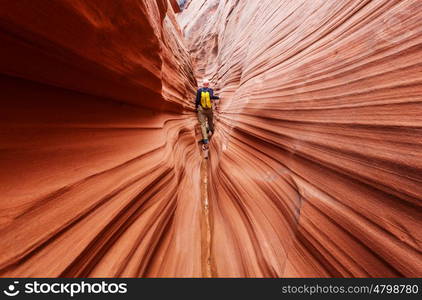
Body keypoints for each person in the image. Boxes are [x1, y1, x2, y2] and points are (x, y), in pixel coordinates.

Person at [195, 78, 220, 150]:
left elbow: (197, 100)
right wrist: (218, 97)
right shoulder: (210, 90)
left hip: (201, 109)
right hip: (209, 109)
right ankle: (212, 132)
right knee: (210, 122)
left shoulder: (199, 90)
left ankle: (205, 140)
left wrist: (196, 108)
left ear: (203, 84)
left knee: (202, 124)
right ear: (208, 84)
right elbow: (211, 97)